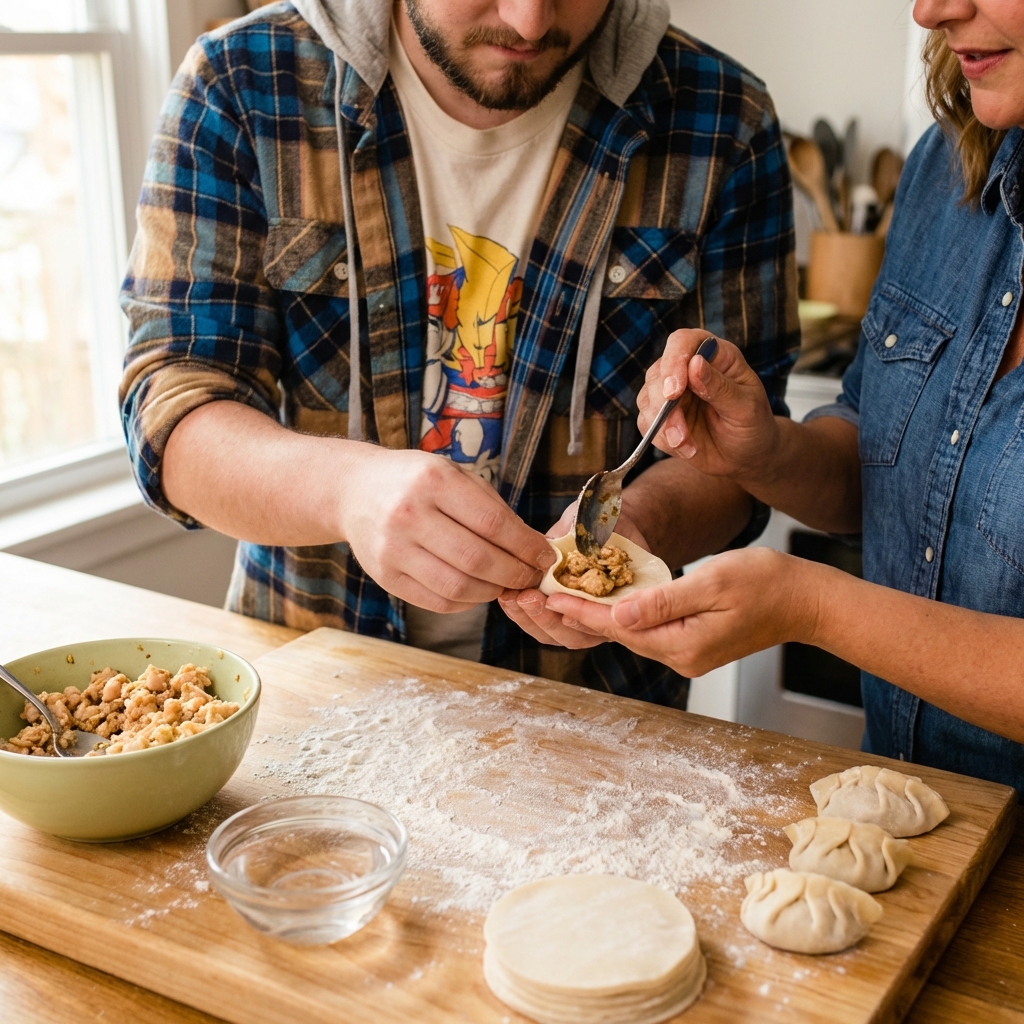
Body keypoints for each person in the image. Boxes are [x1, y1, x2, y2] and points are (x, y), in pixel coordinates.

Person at [119, 0, 798, 707]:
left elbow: (746, 460)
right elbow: (172, 412)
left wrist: (632, 532)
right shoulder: (241, 82)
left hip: (595, 708)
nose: (530, 22)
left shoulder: (724, 119)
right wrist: (347, 491)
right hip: (313, 684)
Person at [537, 0, 1024, 790]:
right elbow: (879, 477)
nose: (931, 11)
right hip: (921, 813)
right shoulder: (950, 164)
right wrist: (762, 451)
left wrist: (815, 607)